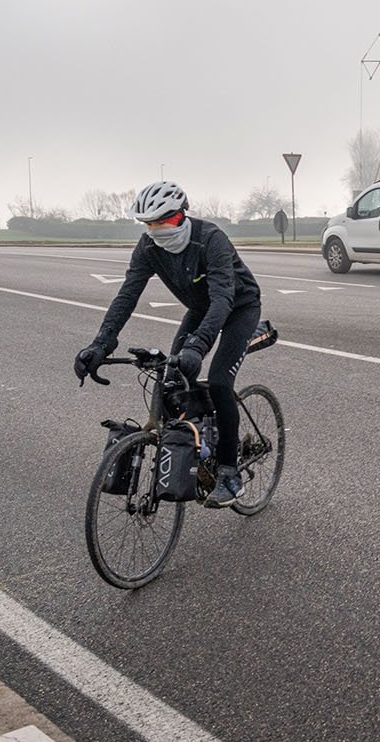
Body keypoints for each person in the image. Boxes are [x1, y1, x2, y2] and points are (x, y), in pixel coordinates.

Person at [74, 180, 263, 507]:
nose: (157, 230)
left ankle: (229, 474)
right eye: (149, 224)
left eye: (165, 221)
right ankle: (202, 446)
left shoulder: (211, 239)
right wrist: (100, 344)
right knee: (172, 378)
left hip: (239, 307)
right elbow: (127, 296)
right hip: (200, 309)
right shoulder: (148, 248)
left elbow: (222, 299)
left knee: (220, 382)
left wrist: (197, 346)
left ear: (181, 214)